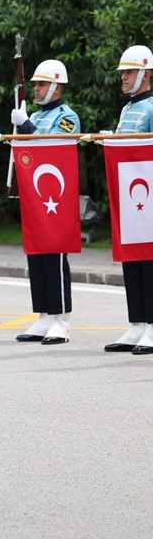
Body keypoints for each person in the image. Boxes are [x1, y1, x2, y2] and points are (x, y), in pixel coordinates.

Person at [11, 59, 79, 344]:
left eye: (41, 84)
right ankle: (43, 314)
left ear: (57, 86)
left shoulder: (67, 117)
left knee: (54, 254)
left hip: (56, 197)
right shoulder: (35, 116)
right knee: (36, 254)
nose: (36, 90)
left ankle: (60, 319)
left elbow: (52, 146)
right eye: (35, 84)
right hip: (34, 194)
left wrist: (26, 126)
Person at [106, 45, 153, 354]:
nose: (123, 77)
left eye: (129, 71)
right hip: (128, 192)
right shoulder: (127, 109)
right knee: (131, 258)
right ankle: (137, 322)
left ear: (146, 73)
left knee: (149, 260)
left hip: (148, 194)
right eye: (123, 72)